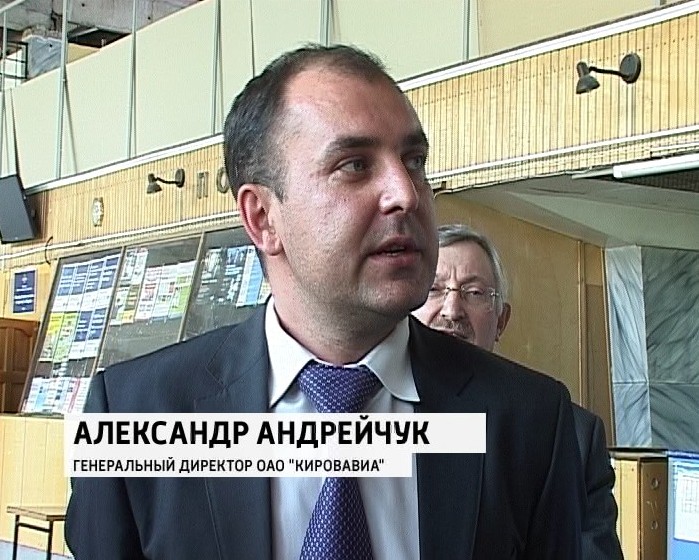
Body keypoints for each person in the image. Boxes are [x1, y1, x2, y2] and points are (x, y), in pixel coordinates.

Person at [65, 44, 584, 559]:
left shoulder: (531, 421)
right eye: (355, 165)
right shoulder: (133, 412)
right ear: (263, 218)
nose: (405, 193)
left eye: (414, 161)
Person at [413, 223, 624, 560]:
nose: (452, 310)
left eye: (474, 293)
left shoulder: (572, 434)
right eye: (434, 289)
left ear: (501, 321)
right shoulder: (363, 414)